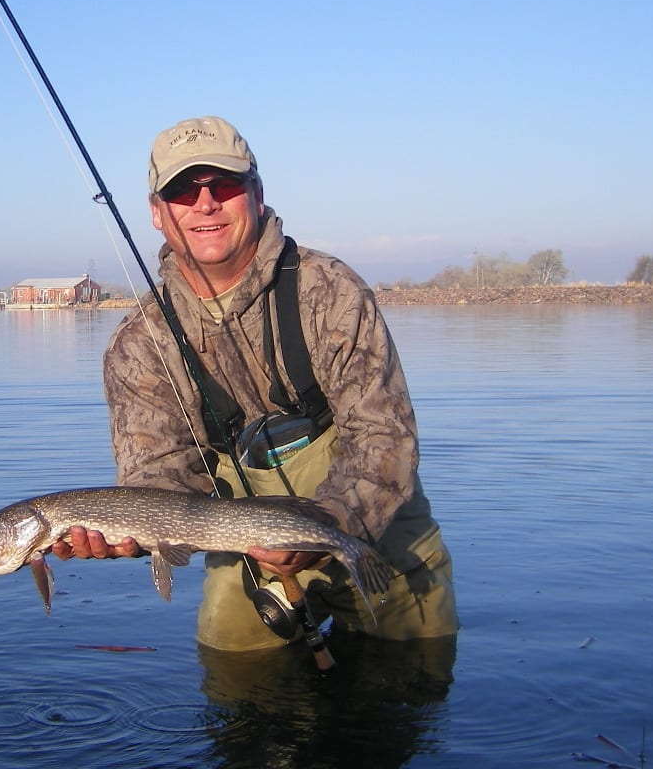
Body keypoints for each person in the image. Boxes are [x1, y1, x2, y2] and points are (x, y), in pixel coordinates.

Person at [51, 116, 457, 651]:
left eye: (222, 185)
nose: (204, 205)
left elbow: (385, 439)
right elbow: (159, 479)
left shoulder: (330, 292)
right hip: (242, 545)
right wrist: (127, 534)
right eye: (181, 191)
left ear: (256, 195)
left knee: (414, 687)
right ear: (157, 212)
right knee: (233, 676)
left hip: (377, 526)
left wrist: (325, 527)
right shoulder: (138, 344)